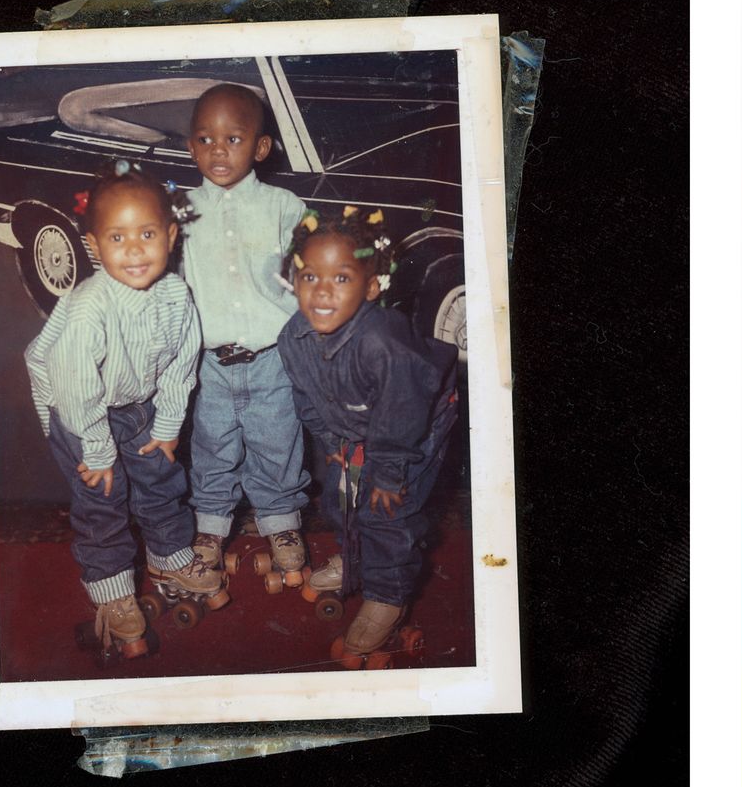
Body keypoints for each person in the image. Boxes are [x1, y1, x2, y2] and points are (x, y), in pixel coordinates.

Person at [24, 161, 229, 658]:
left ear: (171, 235)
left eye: (147, 234)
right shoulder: (89, 306)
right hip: (77, 411)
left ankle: (169, 557)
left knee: (160, 475)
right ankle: (112, 590)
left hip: (137, 400)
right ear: (93, 246)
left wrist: (166, 426)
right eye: (117, 238)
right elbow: (76, 388)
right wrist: (97, 450)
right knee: (104, 500)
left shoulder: (177, 295)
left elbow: (183, 364)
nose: (134, 250)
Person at [278, 208, 461, 667]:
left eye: (340, 279)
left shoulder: (381, 341)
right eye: (309, 277)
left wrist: (387, 472)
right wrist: (333, 445)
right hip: (357, 425)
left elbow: (400, 418)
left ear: (372, 286)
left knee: (387, 511)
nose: (321, 291)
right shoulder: (292, 337)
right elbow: (306, 398)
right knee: (340, 498)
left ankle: (388, 595)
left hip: (416, 422)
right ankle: (356, 560)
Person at [178, 83, 313, 592]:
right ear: (191, 147)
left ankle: (280, 524)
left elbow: (308, 273)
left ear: (260, 148)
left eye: (233, 138)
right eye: (205, 139)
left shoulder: (284, 206)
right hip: (209, 361)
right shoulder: (179, 210)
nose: (218, 150)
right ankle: (210, 528)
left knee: (277, 442)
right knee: (212, 445)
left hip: (273, 357)